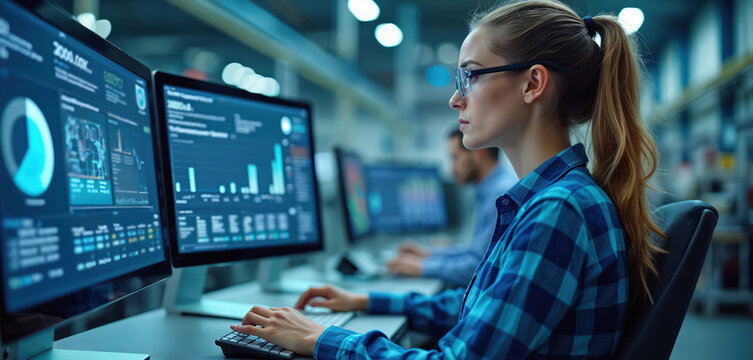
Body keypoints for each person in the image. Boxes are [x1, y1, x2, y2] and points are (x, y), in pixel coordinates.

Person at [229, 1, 665, 358]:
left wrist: (320, 338)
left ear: (533, 83)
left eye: (470, 75)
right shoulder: (554, 200)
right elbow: (484, 309)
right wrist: (366, 301)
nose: (456, 98)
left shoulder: (559, 211)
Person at [386, 129, 518, 286]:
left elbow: (477, 266)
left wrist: (423, 267)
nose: (451, 169)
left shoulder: (500, 194)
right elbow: (476, 252)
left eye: (455, 158)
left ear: (479, 152)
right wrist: (429, 254)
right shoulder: (493, 187)